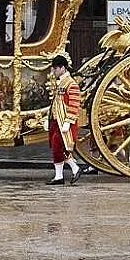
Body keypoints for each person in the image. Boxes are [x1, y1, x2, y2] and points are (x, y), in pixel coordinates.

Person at [45, 55, 83, 185]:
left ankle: (70, 170)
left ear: (62, 68)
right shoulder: (61, 82)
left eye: (55, 69)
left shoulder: (71, 84)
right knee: (57, 147)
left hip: (65, 122)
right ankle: (63, 174)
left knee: (58, 146)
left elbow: (74, 104)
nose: (53, 72)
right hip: (57, 121)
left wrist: (68, 121)